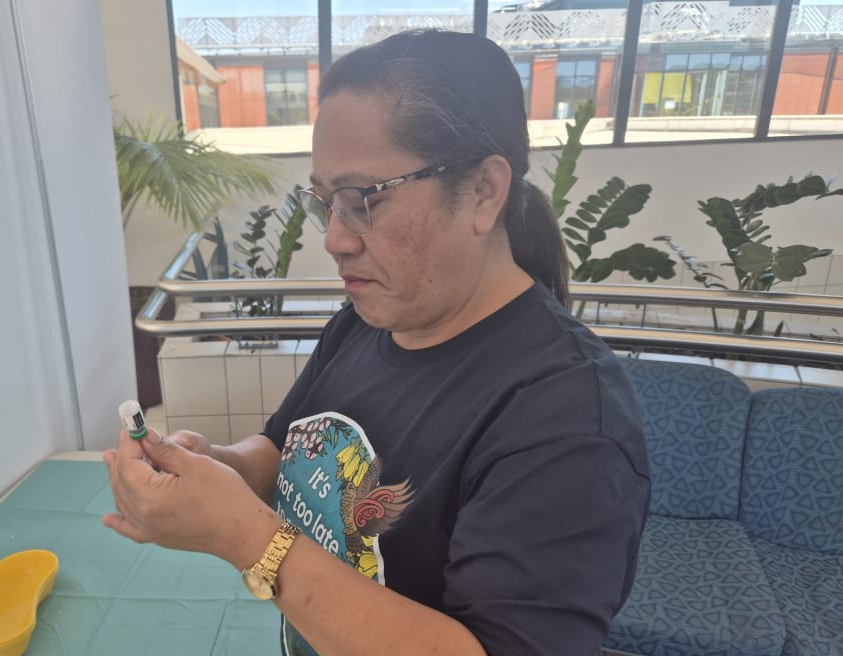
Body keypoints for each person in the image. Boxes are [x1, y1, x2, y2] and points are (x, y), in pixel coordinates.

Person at [103, 29, 650, 656]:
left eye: (363, 199)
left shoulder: (567, 417)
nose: (334, 238)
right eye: (327, 201)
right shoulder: (372, 315)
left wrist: (245, 536)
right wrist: (213, 466)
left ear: (483, 192)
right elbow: (287, 449)